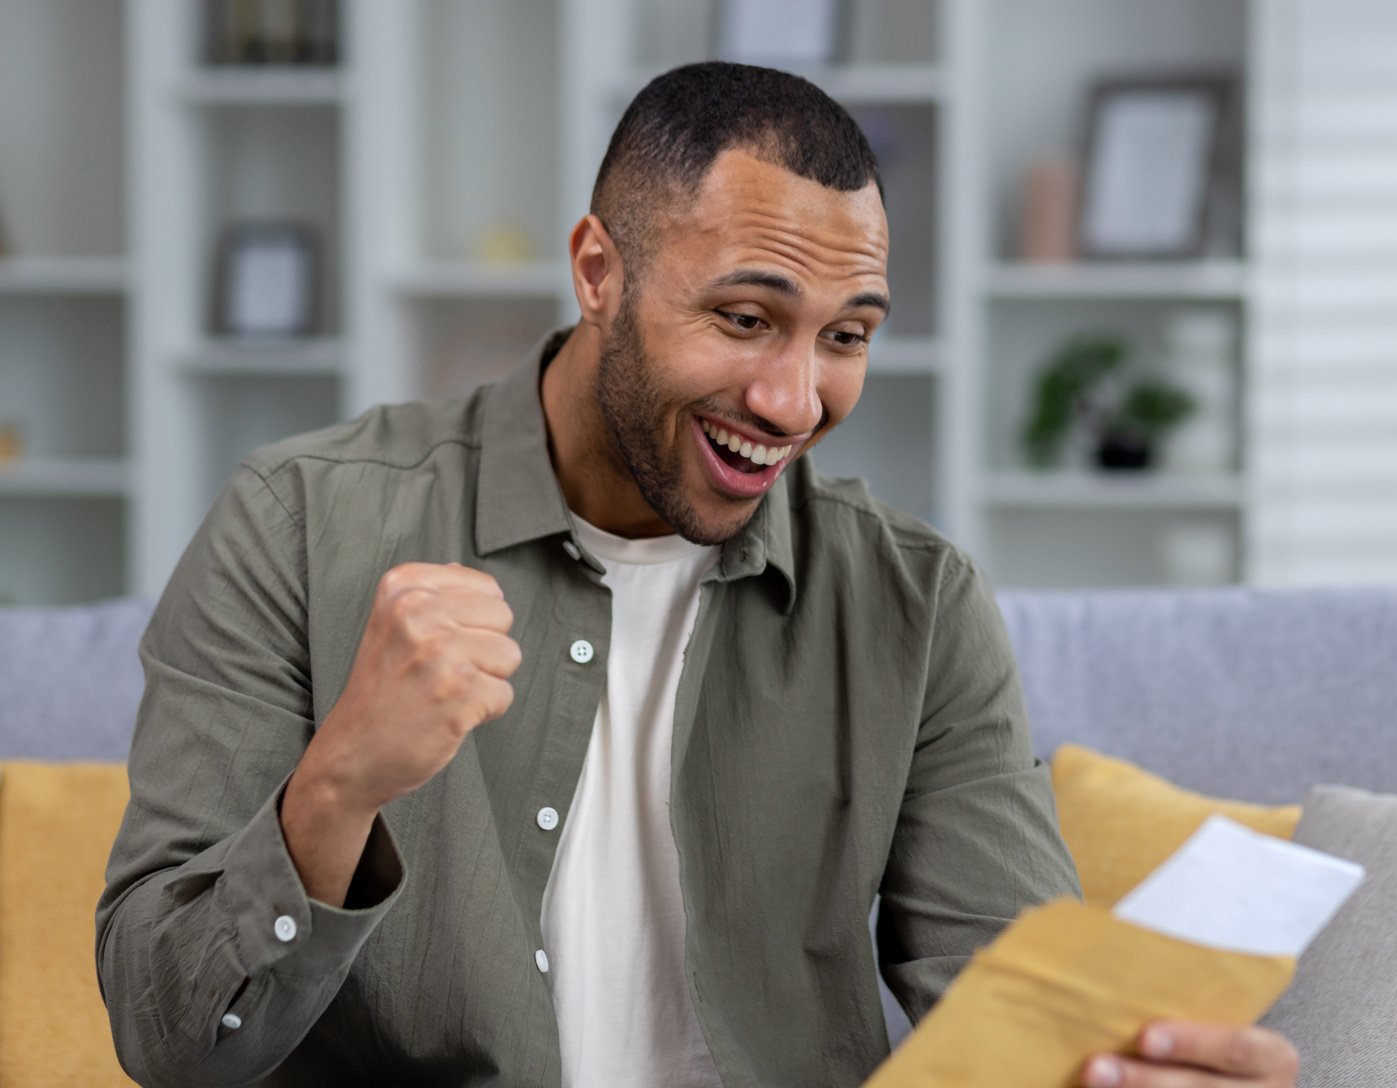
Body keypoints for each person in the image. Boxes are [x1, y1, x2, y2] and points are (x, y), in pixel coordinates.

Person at [96, 61, 1298, 1088]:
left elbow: (1010, 1005)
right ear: (596, 268)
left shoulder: (914, 606)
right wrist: (338, 785)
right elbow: (167, 1036)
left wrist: (1125, 1059)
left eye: (846, 335)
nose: (790, 400)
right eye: (741, 317)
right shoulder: (300, 521)